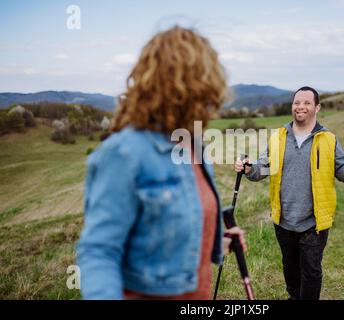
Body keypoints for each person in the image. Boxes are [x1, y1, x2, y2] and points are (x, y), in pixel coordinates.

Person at [77, 26, 246, 300]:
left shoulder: (194, 146)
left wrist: (219, 241)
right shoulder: (124, 153)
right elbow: (99, 252)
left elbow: (176, 228)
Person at [235, 86, 344, 300]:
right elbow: (264, 167)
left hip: (314, 222)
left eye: (307, 102)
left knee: (311, 272)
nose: (301, 106)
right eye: (297, 102)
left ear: (317, 107)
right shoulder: (278, 137)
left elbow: (343, 170)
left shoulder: (328, 139)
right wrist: (249, 168)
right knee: (290, 270)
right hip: (283, 220)